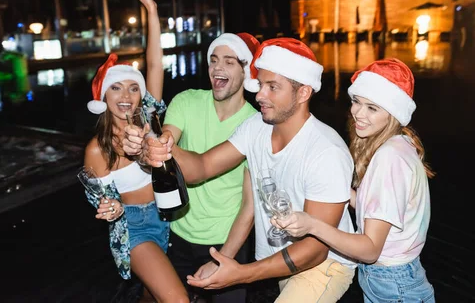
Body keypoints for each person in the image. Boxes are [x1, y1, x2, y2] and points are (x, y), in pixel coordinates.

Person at [125, 37, 357, 303]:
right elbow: (203, 166)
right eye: (260, 85)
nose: (259, 95)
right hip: (281, 259)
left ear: (303, 93)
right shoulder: (256, 127)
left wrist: (240, 273)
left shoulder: (326, 151)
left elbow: (315, 250)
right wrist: (160, 143)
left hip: (323, 266)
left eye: (272, 87)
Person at [271, 58, 436, 303]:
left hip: (393, 284)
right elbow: (377, 209)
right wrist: (336, 185)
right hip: (397, 277)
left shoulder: (389, 158)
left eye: (372, 108)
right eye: (357, 102)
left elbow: (370, 249)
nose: (357, 113)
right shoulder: (401, 144)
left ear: (393, 113)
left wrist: (312, 225)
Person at [82, 0, 189, 303]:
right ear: (103, 97)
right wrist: (110, 209)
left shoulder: (151, 120)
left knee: (152, 296)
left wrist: (152, 10)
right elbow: (104, 201)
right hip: (137, 228)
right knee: (177, 299)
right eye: (116, 87)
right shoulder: (97, 150)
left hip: (171, 218)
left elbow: (155, 62)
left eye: (133, 87)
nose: (126, 95)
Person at [162, 32, 259, 303]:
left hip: (227, 241)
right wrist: (155, 143)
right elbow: (167, 136)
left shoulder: (257, 125)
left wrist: (223, 258)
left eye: (229, 62)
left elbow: (250, 206)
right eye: (214, 60)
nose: (218, 67)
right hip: (178, 234)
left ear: (246, 71)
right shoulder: (186, 100)